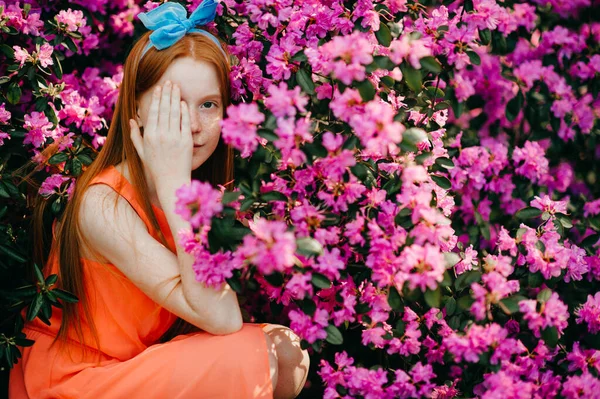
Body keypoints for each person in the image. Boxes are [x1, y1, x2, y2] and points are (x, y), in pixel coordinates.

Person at [9, 2, 309, 398]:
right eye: (174, 104)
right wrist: (173, 186)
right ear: (135, 106)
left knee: (287, 350)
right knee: (248, 356)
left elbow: (210, 308)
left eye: (209, 104)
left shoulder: (204, 188)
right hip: (75, 381)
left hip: (137, 364)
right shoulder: (103, 205)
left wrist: (175, 186)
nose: (195, 127)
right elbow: (222, 317)